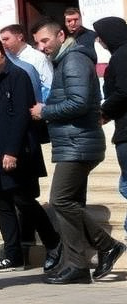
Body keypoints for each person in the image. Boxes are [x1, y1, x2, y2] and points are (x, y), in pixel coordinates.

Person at [31, 20, 126, 283]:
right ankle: (76, 265)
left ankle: (107, 246)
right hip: (73, 142)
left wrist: (45, 111)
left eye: (45, 41)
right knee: (70, 204)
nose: (42, 48)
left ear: (61, 35)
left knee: (60, 200)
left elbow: (80, 102)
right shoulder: (66, 60)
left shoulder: (73, 60)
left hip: (79, 143)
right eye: (37, 43)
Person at [0, 36, 59, 273]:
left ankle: (54, 244)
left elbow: (21, 116)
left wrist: (11, 151)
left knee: (23, 200)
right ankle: (13, 255)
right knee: (1, 203)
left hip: (13, 151)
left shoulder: (17, 76)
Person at [95, 17, 127, 243]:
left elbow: (124, 92)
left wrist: (103, 113)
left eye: (101, 35)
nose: (99, 40)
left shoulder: (122, 56)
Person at [0, 24, 52, 102]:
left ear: (19, 37)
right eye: (2, 40)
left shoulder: (38, 57)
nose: (3, 43)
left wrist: (41, 109)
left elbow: (48, 86)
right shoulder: (5, 58)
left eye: (6, 39)